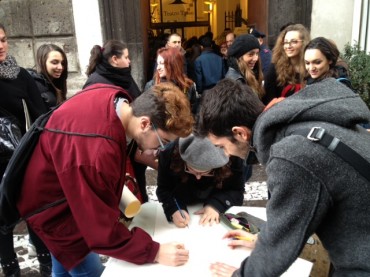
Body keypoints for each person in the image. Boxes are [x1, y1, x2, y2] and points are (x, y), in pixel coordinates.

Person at [17, 82, 194, 276]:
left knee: (63, 263)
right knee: (84, 265)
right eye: (163, 142)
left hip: (54, 184)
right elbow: (101, 233)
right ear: (144, 123)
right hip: (54, 208)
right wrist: (155, 251)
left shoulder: (115, 97)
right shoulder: (97, 152)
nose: (159, 151)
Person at [196, 78, 370, 276]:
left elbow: (276, 250)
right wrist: (263, 240)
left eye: (221, 146)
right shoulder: (302, 121)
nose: (226, 155)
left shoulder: (292, 154)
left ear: (240, 133)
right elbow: (293, 218)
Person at [0, 23, 50, 277]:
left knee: (33, 210)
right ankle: (10, 270)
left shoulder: (20, 75)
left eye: (3, 39)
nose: (0, 45)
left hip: (19, 157)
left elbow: (40, 114)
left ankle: (46, 264)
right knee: (2, 223)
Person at [83, 40, 146, 201]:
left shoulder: (123, 76)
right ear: (114, 59)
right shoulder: (96, 81)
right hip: (113, 149)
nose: (130, 60)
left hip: (132, 145)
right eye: (126, 57)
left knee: (138, 186)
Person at [156, 134, 244, 228]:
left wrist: (216, 205)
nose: (198, 177)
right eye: (191, 170)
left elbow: (237, 191)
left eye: (205, 172)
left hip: (217, 193)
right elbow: (164, 188)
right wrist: (173, 208)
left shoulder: (234, 157)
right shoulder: (168, 153)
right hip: (183, 196)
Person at [263, 24, 310, 105]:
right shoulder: (275, 68)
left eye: (293, 42)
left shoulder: (310, 67)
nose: (288, 46)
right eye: (286, 42)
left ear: (304, 43)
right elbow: (268, 100)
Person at [145, 47, 197, 114]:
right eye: (158, 63)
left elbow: (192, 112)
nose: (158, 68)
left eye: (162, 63)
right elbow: (147, 112)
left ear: (173, 64)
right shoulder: (151, 85)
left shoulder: (188, 86)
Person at [28, 43, 68, 110]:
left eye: (62, 63)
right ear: (42, 62)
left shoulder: (55, 84)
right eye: (55, 62)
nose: (60, 67)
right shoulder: (35, 85)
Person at [226, 34, 264, 100]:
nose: (256, 58)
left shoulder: (249, 74)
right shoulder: (235, 83)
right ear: (239, 57)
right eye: (250, 54)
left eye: (257, 53)